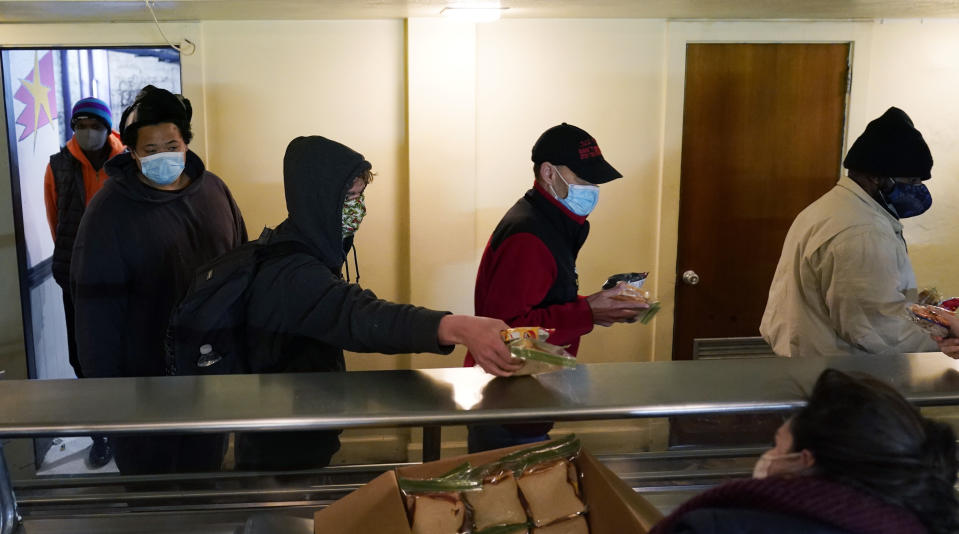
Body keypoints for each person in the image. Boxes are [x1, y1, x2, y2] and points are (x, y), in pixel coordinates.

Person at [233, 135, 522, 471]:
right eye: (350, 198)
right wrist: (457, 326)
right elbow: (361, 316)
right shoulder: (293, 272)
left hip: (298, 419)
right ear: (319, 200)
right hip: (281, 440)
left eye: (360, 196)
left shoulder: (300, 243)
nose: (359, 208)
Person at [71, 86, 247, 474]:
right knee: (153, 493)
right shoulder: (109, 213)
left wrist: (241, 361)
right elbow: (94, 317)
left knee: (204, 480)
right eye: (150, 150)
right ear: (132, 154)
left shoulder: (215, 192)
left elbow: (241, 277)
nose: (163, 155)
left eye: (172, 144)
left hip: (209, 379)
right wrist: (110, 399)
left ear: (186, 142)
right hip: (142, 385)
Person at [465, 123, 647, 453]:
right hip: (509, 401)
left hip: (522, 395)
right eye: (584, 179)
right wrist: (588, 311)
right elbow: (509, 333)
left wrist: (600, 308)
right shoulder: (529, 235)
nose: (592, 189)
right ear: (549, 173)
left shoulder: (548, 222)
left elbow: (541, 301)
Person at [651, 369, 959, 534]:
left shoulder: (715, 526)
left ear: (804, 460)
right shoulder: (918, 520)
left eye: (777, 445)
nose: (769, 455)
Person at [761, 107, 938, 358]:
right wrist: (944, 337)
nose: (917, 190)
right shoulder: (862, 230)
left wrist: (912, 308)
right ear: (876, 177)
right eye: (911, 182)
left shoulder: (834, 208)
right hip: (837, 372)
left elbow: (858, 298)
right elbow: (877, 329)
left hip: (808, 362)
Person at [42, 96, 125, 468]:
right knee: (84, 358)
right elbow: (55, 219)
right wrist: (75, 263)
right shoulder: (58, 167)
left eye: (94, 124)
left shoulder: (127, 163)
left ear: (107, 128)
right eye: (81, 124)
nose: (87, 131)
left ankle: (131, 428)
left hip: (123, 276)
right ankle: (101, 435)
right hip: (76, 279)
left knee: (125, 352)